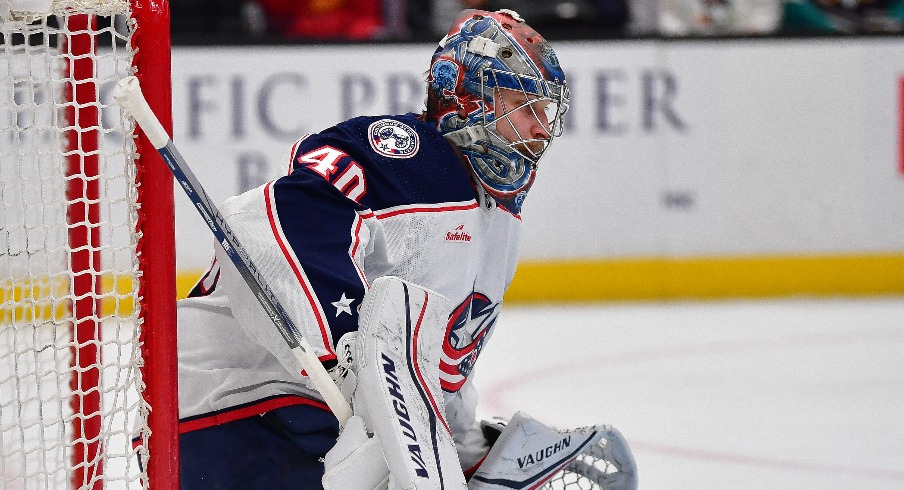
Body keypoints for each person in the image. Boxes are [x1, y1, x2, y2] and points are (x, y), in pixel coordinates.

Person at [175, 8, 633, 489]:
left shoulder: (501, 221)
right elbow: (264, 221)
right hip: (230, 398)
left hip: (308, 435)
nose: (541, 129)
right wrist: (343, 359)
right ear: (464, 95)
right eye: (524, 106)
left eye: (547, 112)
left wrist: (462, 449)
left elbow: (439, 362)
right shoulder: (407, 155)